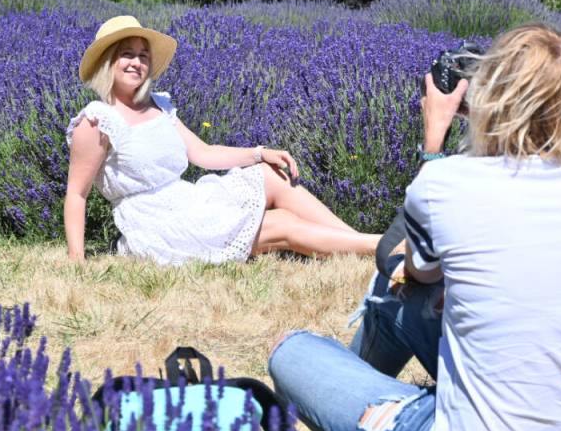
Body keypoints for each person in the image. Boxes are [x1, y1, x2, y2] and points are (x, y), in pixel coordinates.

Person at [269, 24, 561, 431]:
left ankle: (360, 418)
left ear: (493, 98)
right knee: (403, 292)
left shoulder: (449, 184)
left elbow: (411, 264)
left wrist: (435, 141)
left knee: (292, 352)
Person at [65, 15, 381, 264]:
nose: (137, 62)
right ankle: (383, 248)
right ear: (108, 62)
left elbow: (203, 154)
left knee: (271, 175)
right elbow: (77, 195)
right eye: (126, 54)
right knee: (281, 223)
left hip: (187, 202)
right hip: (155, 226)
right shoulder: (96, 120)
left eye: (143, 55)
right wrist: (76, 259)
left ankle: (363, 246)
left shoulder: (158, 106)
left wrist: (261, 153)